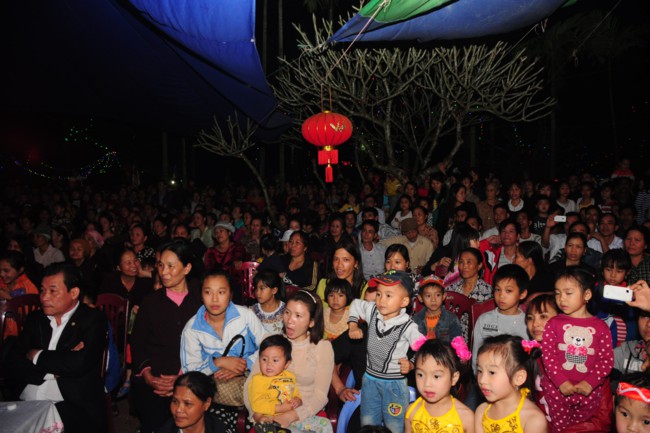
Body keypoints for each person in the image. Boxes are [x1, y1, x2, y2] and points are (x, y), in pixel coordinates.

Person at [6, 263, 108, 433]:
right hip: (27, 397)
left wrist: (36, 355)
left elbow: (79, 363)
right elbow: (13, 361)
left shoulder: (92, 319)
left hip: (70, 401)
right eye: (42, 290)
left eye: (53, 291)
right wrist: (55, 370)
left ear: (73, 293)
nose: (44, 297)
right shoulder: (36, 318)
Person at [130, 240, 203, 433]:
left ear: (187, 268)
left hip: (192, 373)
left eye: (171, 266)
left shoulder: (200, 300)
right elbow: (138, 342)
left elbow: (209, 343)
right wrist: (147, 375)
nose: (164, 272)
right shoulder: (150, 302)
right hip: (156, 377)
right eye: (161, 265)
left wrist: (182, 376)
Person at [348, 270, 427, 433]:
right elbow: (355, 304)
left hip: (395, 385)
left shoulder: (408, 326)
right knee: (368, 423)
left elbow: (423, 348)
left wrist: (412, 364)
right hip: (370, 380)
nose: (381, 300)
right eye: (379, 294)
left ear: (404, 301)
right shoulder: (372, 311)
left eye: (388, 295)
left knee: (395, 426)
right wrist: (353, 326)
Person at [243, 290, 335, 431]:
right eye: (287, 312)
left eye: (298, 316)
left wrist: (291, 416)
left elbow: (320, 396)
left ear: (311, 322)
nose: (290, 320)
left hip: (307, 413)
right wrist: (257, 415)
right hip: (268, 412)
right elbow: (249, 385)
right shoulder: (273, 343)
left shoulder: (322, 348)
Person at [541, 267, 614, 433]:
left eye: (568, 293)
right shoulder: (553, 324)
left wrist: (590, 383)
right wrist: (561, 382)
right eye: (557, 293)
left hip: (588, 392)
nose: (561, 299)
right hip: (557, 391)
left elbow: (606, 361)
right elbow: (548, 357)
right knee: (559, 429)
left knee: (580, 429)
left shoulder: (601, 327)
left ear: (587, 295)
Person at [180, 270, 266, 406]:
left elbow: (268, 346)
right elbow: (190, 370)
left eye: (221, 292)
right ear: (201, 295)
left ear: (230, 294)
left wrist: (244, 364)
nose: (214, 299)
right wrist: (218, 362)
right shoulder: (192, 329)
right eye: (208, 292)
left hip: (253, 375)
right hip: (216, 385)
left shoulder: (245, 316)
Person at [249, 334, 332, 433]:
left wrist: (298, 400)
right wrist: (279, 408)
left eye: (275, 360)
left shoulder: (289, 377)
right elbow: (256, 404)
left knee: (325, 424)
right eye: (264, 359)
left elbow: (296, 393)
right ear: (259, 360)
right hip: (271, 420)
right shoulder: (258, 380)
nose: (269, 364)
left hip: (294, 417)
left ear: (286, 364)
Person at [475, 335, 548, 433]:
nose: (482, 380)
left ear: (518, 377)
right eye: (480, 371)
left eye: (492, 372)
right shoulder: (482, 411)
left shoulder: (533, 419)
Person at [405, 339, 474, 433]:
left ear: (454, 378)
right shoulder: (412, 411)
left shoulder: (466, 417)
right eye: (420, 375)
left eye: (436, 376)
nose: (427, 384)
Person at [471, 264, 529, 373]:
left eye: (508, 291)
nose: (501, 296)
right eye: (498, 289)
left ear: (522, 294)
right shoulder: (484, 320)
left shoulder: (528, 323)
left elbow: (530, 362)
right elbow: (476, 358)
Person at [156, 371, 230, 433]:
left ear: (207, 403)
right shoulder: (164, 429)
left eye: (187, 403)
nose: (178, 409)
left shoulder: (220, 429)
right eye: (175, 401)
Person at [412, 275, 462, 342]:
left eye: (438, 295)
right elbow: (413, 343)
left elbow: (458, 343)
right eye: (428, 296)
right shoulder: (416, 320)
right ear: (420, 298)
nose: (433, 300)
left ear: (443, 296)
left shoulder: (451, 319)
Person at [250, 269, 286, 335]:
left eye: (262, 288)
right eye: (256, 288)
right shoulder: (251, 311)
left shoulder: (286, 311)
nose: (257, 292)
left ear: (274, 290)